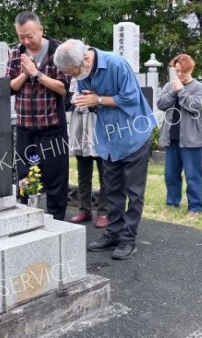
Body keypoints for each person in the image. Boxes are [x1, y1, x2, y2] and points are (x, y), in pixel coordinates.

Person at [54, 39, 157, 260]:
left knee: (134, 192)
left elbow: (130, 98)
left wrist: (97, 99)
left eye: (74, 73)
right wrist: (83, 101)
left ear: (85, 60)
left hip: (133, 133)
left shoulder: (116, 64)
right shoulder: (82, 73)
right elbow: (86, 98)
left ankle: (129, 239)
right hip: (108, 138)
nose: (74, 78)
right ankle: (113, 233)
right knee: (112, 189)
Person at [5, 11, 70, 221]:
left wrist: (37, 74)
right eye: (21, 36)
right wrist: (24, 74)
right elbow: (8, 88)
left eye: (29, 36)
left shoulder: (58, 51)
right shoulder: (16, 53)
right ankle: (25, 221)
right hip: (25, 128)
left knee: (56, 179)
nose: (25, 41)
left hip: (52, 127)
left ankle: (58, 223)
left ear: (41, 30)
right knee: (24, 178)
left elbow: (63, 88)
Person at [157, 54, 202, 218]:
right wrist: (173, 90)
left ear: (191, 69)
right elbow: (161, 104)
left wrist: (181, 90)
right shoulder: (169, 86)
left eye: (182, 72)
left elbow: (194, 106)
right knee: (171, 174)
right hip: (172, 138)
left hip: (192, 140)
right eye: (176, 71)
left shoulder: (199, 87)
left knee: (193, 175)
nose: (179, 74)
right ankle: (172, 203)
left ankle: (195, 207)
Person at [68, 78, 109, 228]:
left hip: (99, 126)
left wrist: (94, 98)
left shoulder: (102, 76)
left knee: (104, 173)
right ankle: (84, 209)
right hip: (80, 125)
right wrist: (75, 98)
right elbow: (67, 100)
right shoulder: (75, 78)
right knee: (83, 173)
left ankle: (104, 211)